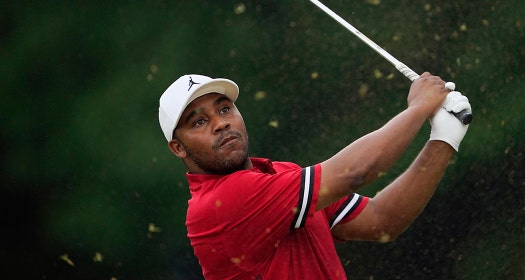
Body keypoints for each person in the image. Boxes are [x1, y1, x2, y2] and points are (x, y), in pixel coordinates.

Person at [158, 73, 471, 280]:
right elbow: (356, 172)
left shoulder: (282, 176)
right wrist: (418, 107)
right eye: (199, 122)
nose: (220, 123)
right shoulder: (217, 204)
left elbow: (382, 220)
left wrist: (444, 139)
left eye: (224, 109)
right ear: (178, 148)